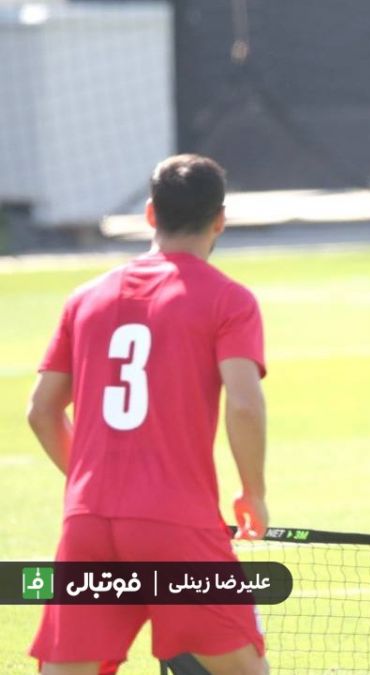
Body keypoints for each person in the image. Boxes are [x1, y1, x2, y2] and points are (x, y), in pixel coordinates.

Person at [26, 155, 270, 675]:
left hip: (88, 517)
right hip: (176, 525)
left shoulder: (85, 298)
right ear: (220, 220)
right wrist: (254, 493)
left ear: (150, 214)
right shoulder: (228, 300)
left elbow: (42, 411)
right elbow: (245, 405)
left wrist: (96, 484)